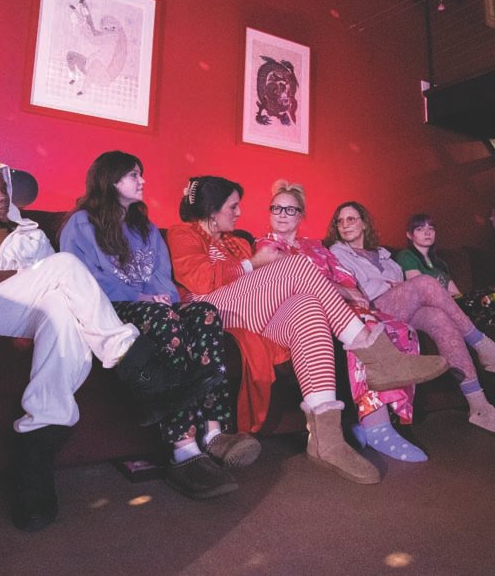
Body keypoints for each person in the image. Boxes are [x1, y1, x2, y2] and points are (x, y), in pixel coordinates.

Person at [166, 176, 448, 485]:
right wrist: (253, 264)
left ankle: (326, 441)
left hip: (249, 313)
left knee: (307, 306)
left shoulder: (238, 242)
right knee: (299, 266)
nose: (239, 213)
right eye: (233, 207)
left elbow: (259, 288)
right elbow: (199, 280)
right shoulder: (183, 233)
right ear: (212, 209)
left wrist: (259, 269)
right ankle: (376, 355)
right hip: (209, 314)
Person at [0, 159, 146, 530]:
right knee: (65, 265)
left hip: (26, 310)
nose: (2, 197)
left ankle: (38, 447)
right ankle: (132, 359)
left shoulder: (30, 234)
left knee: (60, 307)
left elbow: (54, 282)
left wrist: (14, 274)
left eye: (4, 189)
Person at [60, 151, 261, 500]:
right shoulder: (81, 224)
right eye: (134, 175)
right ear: (110, 180)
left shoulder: (146, 227)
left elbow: (161, 276)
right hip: (109, 308)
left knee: (205, 313)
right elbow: (82, 278)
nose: (142, 181)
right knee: (166, 322)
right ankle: (184, 449)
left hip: (153, 305)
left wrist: (162, 297)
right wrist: (141, 298)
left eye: (141, 174)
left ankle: (214, 433)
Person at [325, 202, 495, 436]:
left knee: (439, 318)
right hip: (374, 312)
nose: (345, 225)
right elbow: (360, 289)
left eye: (351, 219)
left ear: (364, 223)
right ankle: (487, 348)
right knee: (425, 282)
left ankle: (479, 406)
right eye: (340, 221)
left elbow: (400, 284)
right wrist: (390, 286)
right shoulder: (338, 252)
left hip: (400, 307)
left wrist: (395, 286)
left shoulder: (384, 255)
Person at [254, 181, 426, 462]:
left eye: (290, 209)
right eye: (276, 208)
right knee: (362, 327)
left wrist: (349, 292)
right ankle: (377, 427)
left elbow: (344, 276)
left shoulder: (315, 246)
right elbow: (291, 283)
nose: (282, 214)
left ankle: (375, 418)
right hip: (301, 314)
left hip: (341, 306)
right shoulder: (264, 246)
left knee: (396, 328)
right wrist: (342, 292)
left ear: (301, 215)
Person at [396, 213, 495, 411]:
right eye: (420, 229)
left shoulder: (440, 264)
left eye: (431, 228)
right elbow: (421, 289)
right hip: (434, 307)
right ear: (410, 235)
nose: (427, 232)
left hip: (456, 306)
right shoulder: (406, 256)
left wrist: (477, 303)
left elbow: (457, 294)